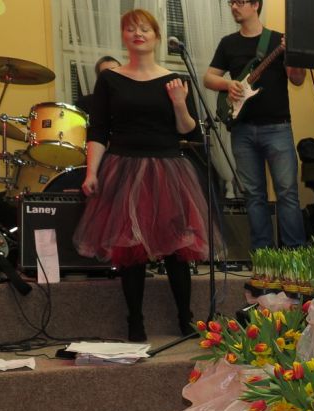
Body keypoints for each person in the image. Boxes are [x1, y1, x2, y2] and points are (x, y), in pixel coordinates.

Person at [73, 9, 212, 342]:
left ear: (156, 36)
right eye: (131, 29)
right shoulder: (110, 80)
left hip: (168, 169)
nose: (138, 33)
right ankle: (135, 322)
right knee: (130, 249)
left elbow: (188, 130)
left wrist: (179, 102)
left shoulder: (175, 79)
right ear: (123, 36)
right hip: (124, 167)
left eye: (145, 28)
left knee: (177, 249)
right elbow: (98, 130)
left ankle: (185, 319)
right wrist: (91, 172)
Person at [203, 0, 307, 250]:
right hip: (242, 130)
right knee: (253, 196)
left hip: (278, 127)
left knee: (287, 193)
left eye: (239, 2)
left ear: (255, 5)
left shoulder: (279, 40)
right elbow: (208, 78)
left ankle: (295, 254)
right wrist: (229, 84)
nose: (234, 7)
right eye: (231, 3)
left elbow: (298, 79)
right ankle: (263, 255)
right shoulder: (228, 43)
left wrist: (293, 55)